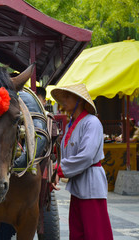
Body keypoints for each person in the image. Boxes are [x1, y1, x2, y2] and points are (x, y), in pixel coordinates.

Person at [51, 83, 113, 240]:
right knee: (78, 233)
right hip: (78, 185)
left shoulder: (91, 122)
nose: (64, 100)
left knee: (96, 234)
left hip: (91, 184)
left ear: (79, 100)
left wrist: (59, 170)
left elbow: (86, 156)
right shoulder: (72, 123)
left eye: (68, 96)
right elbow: (66, 153)